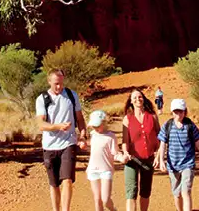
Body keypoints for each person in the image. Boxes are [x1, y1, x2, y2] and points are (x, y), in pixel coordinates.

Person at [36, 69, 87, 211]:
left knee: (67, 180)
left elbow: (80, 119)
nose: (59, 87)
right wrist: (58, 126)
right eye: (56, 84)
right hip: (49, 145)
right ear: (49, 82)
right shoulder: (42, 99)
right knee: (54, 184)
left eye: (61, 83)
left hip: (68, 143)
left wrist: (82, 136)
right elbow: (41, 124)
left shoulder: (71, 95)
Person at [157, 99, 199, 211]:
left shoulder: (190, 125)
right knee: (177, 194)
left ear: (184, 112)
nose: (178, 114)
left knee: (186, 191)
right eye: (176, 112)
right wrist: (161, 160)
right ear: (172, 112)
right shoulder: (167, 126)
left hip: (188, 164)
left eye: (180, 111)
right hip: (173, 165)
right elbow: (162, 144)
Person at [121, 89, 160, 211]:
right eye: (135, 98)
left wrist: (159, 155)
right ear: (131, 101)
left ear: (143, 98)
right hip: (132, 160)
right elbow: (125, 141)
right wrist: (125, 152)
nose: (138, 99)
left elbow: (160, 136)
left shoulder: (152, 117)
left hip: (149, 158)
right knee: (131, 191)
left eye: (140, 97)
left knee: (145, 191)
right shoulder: (127, 119)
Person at [86, 110, 129, 211]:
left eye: (97, 125)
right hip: (93, 170)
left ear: (104, 123)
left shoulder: (110, 137)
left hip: (106, 170)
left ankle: (113, 209)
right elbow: (88, 146)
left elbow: (115, 153)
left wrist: (122, 158)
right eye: (94, 126)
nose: (95, 128)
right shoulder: (92, 134)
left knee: (105, 199)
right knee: (97, 199)